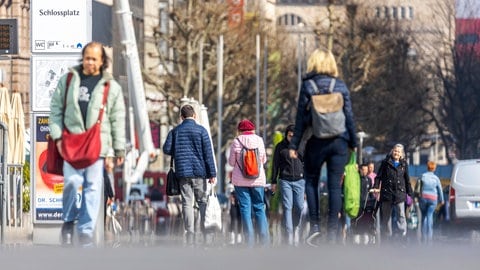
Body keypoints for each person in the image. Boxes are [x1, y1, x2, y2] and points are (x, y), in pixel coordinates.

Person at [49, 41, 126, 247]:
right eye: (87, 58)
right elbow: (56, 110)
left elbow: (117, 118)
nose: (90, 62)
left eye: (94, 59)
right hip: (71, 142)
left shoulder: (111, 87)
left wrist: (118, 148)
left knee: (93, 188)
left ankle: (85, 230)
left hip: (97, 145)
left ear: (102, 61)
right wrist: (57, 137)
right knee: (72, 182)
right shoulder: (68, 81)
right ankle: (68, 220)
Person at [288, 48, 358, 245]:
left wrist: (295, 144)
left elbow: (300, 118)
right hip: (339, 141)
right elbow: (350, 117)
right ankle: (334, 232)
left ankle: (316, 226)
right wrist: (353, 142)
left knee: (311, 181)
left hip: (317, 140)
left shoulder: (308, 86)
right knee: (335, 185)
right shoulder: (341, 86)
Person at [162, 104, 217, 247]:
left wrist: (178, 148)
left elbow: (166, 149)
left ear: (181, 117)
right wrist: (212, 174)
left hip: (182, 173)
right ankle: (206, 234)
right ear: (195, 116)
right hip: (200, 173)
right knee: (202, 202)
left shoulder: (175, 131)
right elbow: (208, 155)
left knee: (187, 202)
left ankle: (190, 234)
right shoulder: (202, 131)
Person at [228, 119, 269, 247]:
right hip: (258, 180)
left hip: (240, 182)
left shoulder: (236, 141)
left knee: (245, 209)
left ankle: (249, 242)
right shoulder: (259, 140)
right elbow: (263, 159)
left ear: (239, 130)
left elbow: (231, 162)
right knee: (259, 208)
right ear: (253, 129)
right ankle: (264, 242)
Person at [271, 124, 305, 246]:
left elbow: (306, 161)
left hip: (300, 181)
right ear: (286, 135)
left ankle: (295, 227)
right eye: (290, 135)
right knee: (287, 206)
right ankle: (290, 234)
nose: (292, 137)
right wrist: (273, 181)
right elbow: (275, 165)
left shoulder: (301, 145)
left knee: (300, 207)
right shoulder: (280, 147)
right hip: (285, 180)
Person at [374, 144, 413, 242]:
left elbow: (407, 179)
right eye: (395, 151)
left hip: (400, 193)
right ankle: (387, 236)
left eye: (399, 152)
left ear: (401, 154)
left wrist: (410, 193)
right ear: (392, 151)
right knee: (386, 217)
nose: (396, 153)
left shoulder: (404, 164)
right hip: (387, 193)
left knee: (401, 215)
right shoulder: (385, 162)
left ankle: (402, 235)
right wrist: (375, 186)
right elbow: (378, 176)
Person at [416, 161, 444, 244]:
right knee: (430, 216)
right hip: (433, 199)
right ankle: (430, 239)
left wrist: (416, 197)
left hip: (423, 198)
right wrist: (442, 200)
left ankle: (423, 239)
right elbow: (440, 190)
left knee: (424, 216)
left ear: (427, 167)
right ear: (434, 168)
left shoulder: (422, 176)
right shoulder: (436, 178)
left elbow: (417, 188)